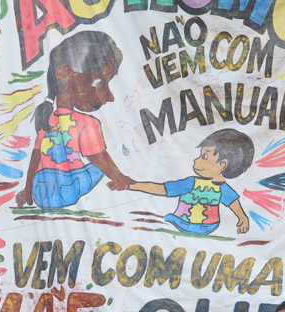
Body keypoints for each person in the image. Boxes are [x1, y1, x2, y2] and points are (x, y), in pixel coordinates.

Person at [16, 30, 133, 210]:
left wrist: (28, 189)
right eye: (99, 82)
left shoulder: (45, 120)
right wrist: (119, 178)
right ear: (63, 73)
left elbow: (35, 157)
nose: (109, 97)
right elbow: (98, 157)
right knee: (99, 168)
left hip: (41, 192)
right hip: (66, 191)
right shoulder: (88, 124)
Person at [129, 129, 253, 235]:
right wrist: (242, 218)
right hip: (210, 226)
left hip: (184, 223)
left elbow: (162, 189)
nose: (196, 160)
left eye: (204, 156)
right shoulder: (223, 188)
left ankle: (168, 218)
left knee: (165, 218)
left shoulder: (191, 183)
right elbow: (233, 202)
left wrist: (131, 185)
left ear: (222, 164)